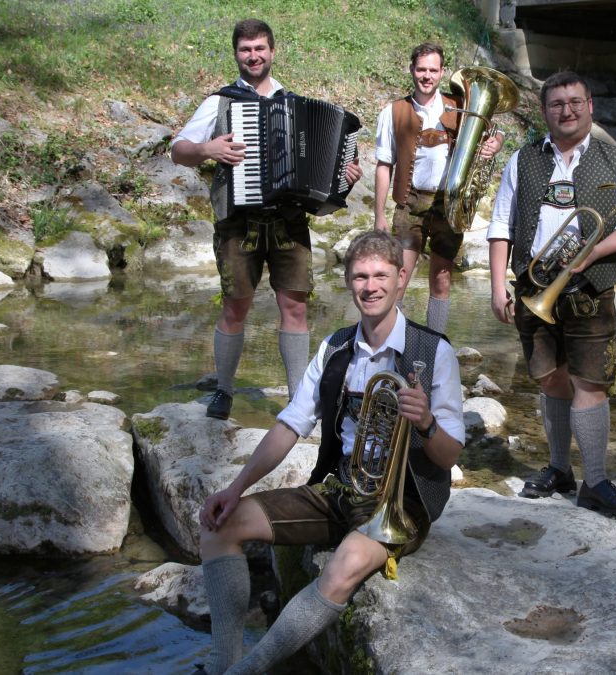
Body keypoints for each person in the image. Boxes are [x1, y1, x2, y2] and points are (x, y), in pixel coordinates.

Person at [195, 230, 464, 674]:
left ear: (401, 278)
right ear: (347, 281)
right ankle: (226, 660)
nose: (370, 286)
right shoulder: (335, 346)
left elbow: (449, 456)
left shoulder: (434, 352)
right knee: (220, 526)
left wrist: (426, 422)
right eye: (360, 276)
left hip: (403, 502)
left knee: (348, 562)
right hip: (340, 488)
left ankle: (249, 670)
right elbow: (289, 426)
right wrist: (235, 487)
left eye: (380, 275)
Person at [172, 19, 362, 420]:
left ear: (272, 52)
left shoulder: (293, 102)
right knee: (235, 306)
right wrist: (207, 148)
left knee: (295, 307)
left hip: (289, 221)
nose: (253, 56)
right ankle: (224, 391)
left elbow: (325, 172)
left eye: (259, 48)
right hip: (237, 222)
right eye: (245, 49)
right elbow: (178, 150)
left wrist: (342, 174)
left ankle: (297, 398)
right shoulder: (219, 103)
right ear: (236, 54)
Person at [487, 71, 616, 516]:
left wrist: (594, 251)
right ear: (544, 112)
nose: (567, 110)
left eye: (575, 102)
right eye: (557, 104)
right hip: (534, 287)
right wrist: (497, 282)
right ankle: (560, 468)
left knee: (590, 383)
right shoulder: (522, 160)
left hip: (589, 289)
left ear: (590, 105)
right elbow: (501, 225)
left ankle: (595, 480)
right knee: (550, 379)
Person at [373, 42, 502, 334]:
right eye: (421, 69)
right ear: (411, 70)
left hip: (449, 204)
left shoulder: (460, 106)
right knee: (399, 278)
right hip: (410, 202)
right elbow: (384, 165)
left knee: (442, 279)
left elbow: (495, 132)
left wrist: (496, 144)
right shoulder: (393, 112)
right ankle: (390, 343)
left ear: (442, 72)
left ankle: (434, 346)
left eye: (433, 69)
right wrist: (379, 215)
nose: (426, 76)